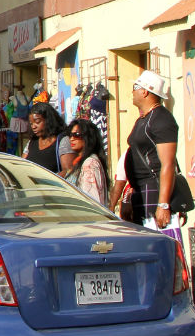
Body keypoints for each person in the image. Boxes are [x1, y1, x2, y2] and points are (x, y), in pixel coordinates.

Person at [109, 70, 180, 231]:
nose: (132, 91)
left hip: (153, 189)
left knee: (157, 242)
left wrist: (163, 204)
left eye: (135, 87)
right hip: (140, 189)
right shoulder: (144, 118)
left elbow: (168, 164)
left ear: (145, 91)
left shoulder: (162, 119)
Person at [63, 118, 110, 207]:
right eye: (70, 135)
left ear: (88, 137)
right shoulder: (83, 162)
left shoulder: (90, 164)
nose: (72, 139)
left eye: (76, 135)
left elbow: (93, 201)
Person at [21, 102, 69, 172]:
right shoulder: (32, 142)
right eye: (31, 124)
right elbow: (22, 164)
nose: (33, 126)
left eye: (37, 122)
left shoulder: (62, 141)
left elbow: (67, 171)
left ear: (48, 120)